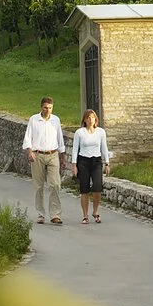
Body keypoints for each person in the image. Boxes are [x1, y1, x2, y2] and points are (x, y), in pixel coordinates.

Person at [22, 96, 66, 224]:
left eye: (50, 108)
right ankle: (40, 214)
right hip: (38, 154)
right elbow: (28, 138)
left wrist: (63, 157)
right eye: (46, 108)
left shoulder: (56, 120)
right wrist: (30, 152)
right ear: (41, 107)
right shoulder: (34, 120)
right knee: (38, 186)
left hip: (53, 154)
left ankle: (55, 214)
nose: (48, 110)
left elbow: (60, 139)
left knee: (55, 184)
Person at [70, 109, 111, 224]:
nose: (90, 120)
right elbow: (75, 150)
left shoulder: (100, 132)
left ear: (95, 119)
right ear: (84, 120)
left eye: (92, 117)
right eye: (88, 118)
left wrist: (107, 162)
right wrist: (74, 165)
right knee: (85, 189)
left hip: (96, 161)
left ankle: (95, 211)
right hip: (83, 161)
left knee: (97, 188)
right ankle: (85, 215)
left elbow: (104, 148)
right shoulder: (80, 133)